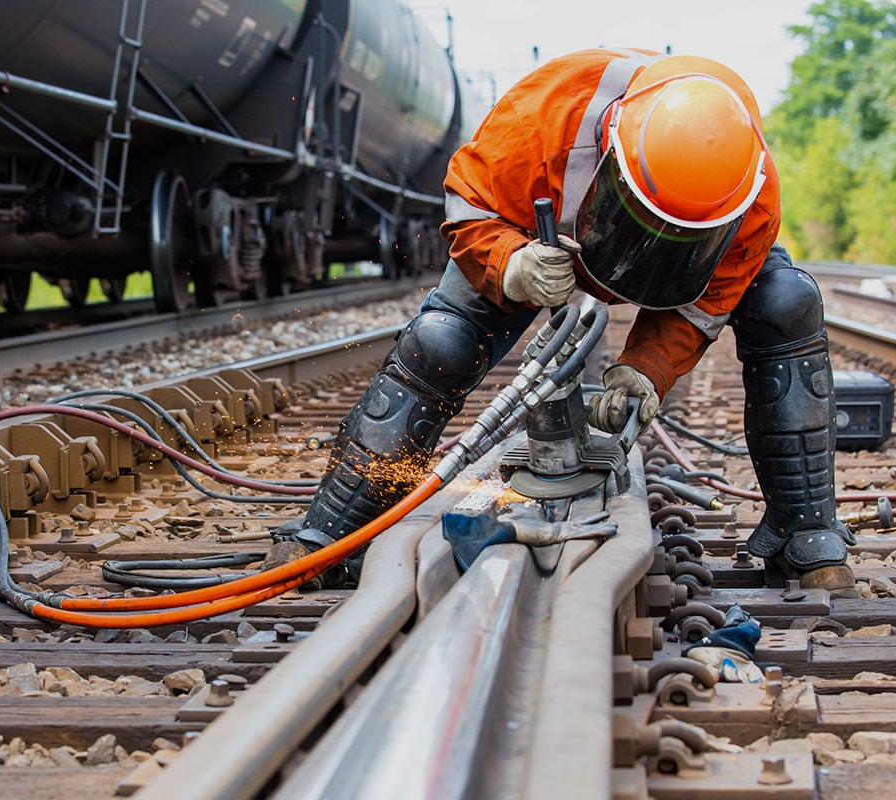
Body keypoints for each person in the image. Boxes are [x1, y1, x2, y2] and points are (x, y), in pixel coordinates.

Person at [262, 48, 857, 596]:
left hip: (646, 256)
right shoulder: (545, 115)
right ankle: (333, 529)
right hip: (536, 249)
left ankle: (806, 530)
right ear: (610, 153)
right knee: (438, 343)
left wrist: (646, 368)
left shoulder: (749, 191)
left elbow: (711, 297)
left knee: (785, 303)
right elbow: (470, 203)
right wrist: (511, 264)